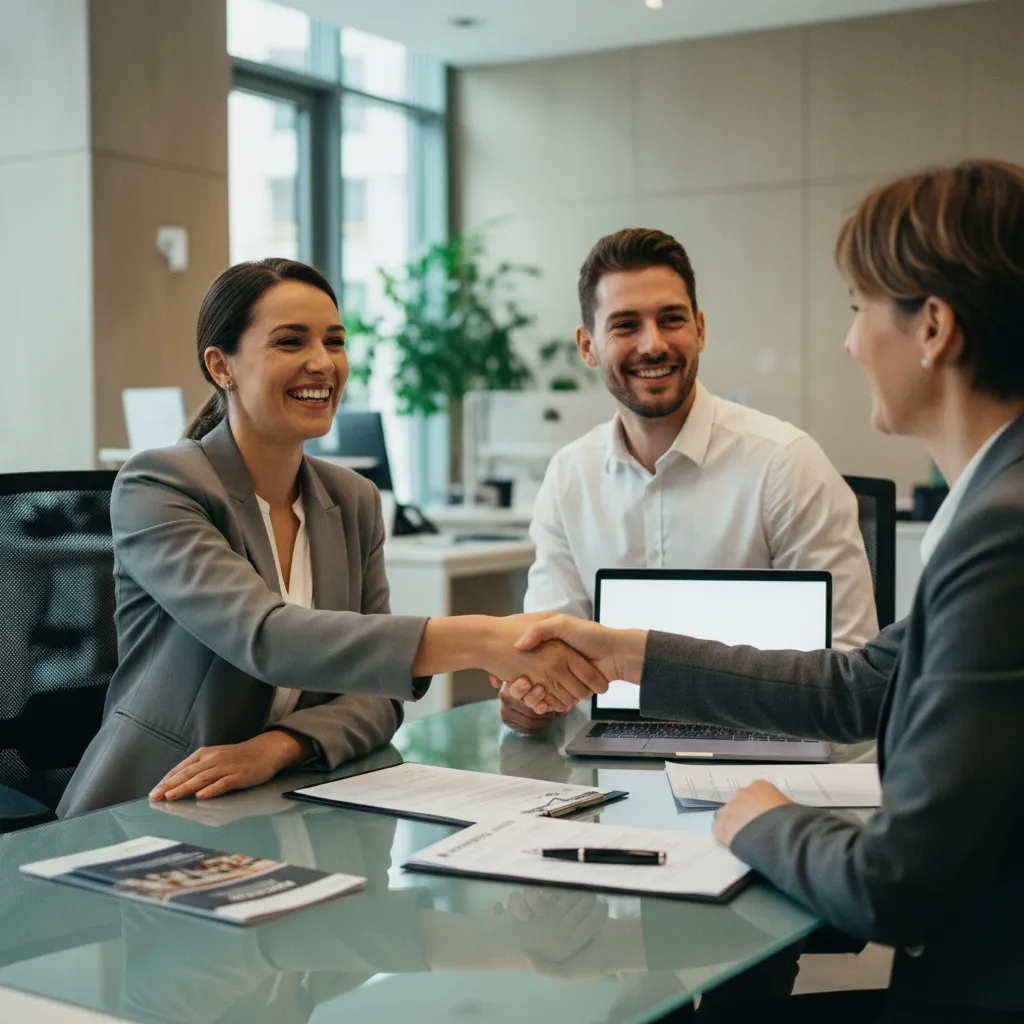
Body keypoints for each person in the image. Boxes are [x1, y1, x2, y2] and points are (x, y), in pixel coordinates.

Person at [506, 160, 1024, 1020]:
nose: (852, 341)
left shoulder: (1000, 532)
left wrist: (762, 819)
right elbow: (861, 685)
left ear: (932, 327)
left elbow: (894, 886)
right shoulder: (996, 505)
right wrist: (626, 649)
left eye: (860, 309)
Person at [58, 259, 605, 818]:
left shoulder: (353, 499)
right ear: (222, 366)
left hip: (292, 797)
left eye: (334, 341)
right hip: (153, 805)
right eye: (290, 342)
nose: (322, 363)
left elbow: (378, 694)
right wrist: (484, 639)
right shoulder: (160, 483)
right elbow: (267, 637)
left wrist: (278, 747)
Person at [503, 227, 877, 734]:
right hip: (611, 759)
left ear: (700, 329)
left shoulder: (787, 464)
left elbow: (851, 675)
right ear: (587, 346)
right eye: (625, 325)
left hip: (769, 746)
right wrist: (531, 696)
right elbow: (545, 660)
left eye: (671, 319)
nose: (653, 344)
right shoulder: (569, 477)